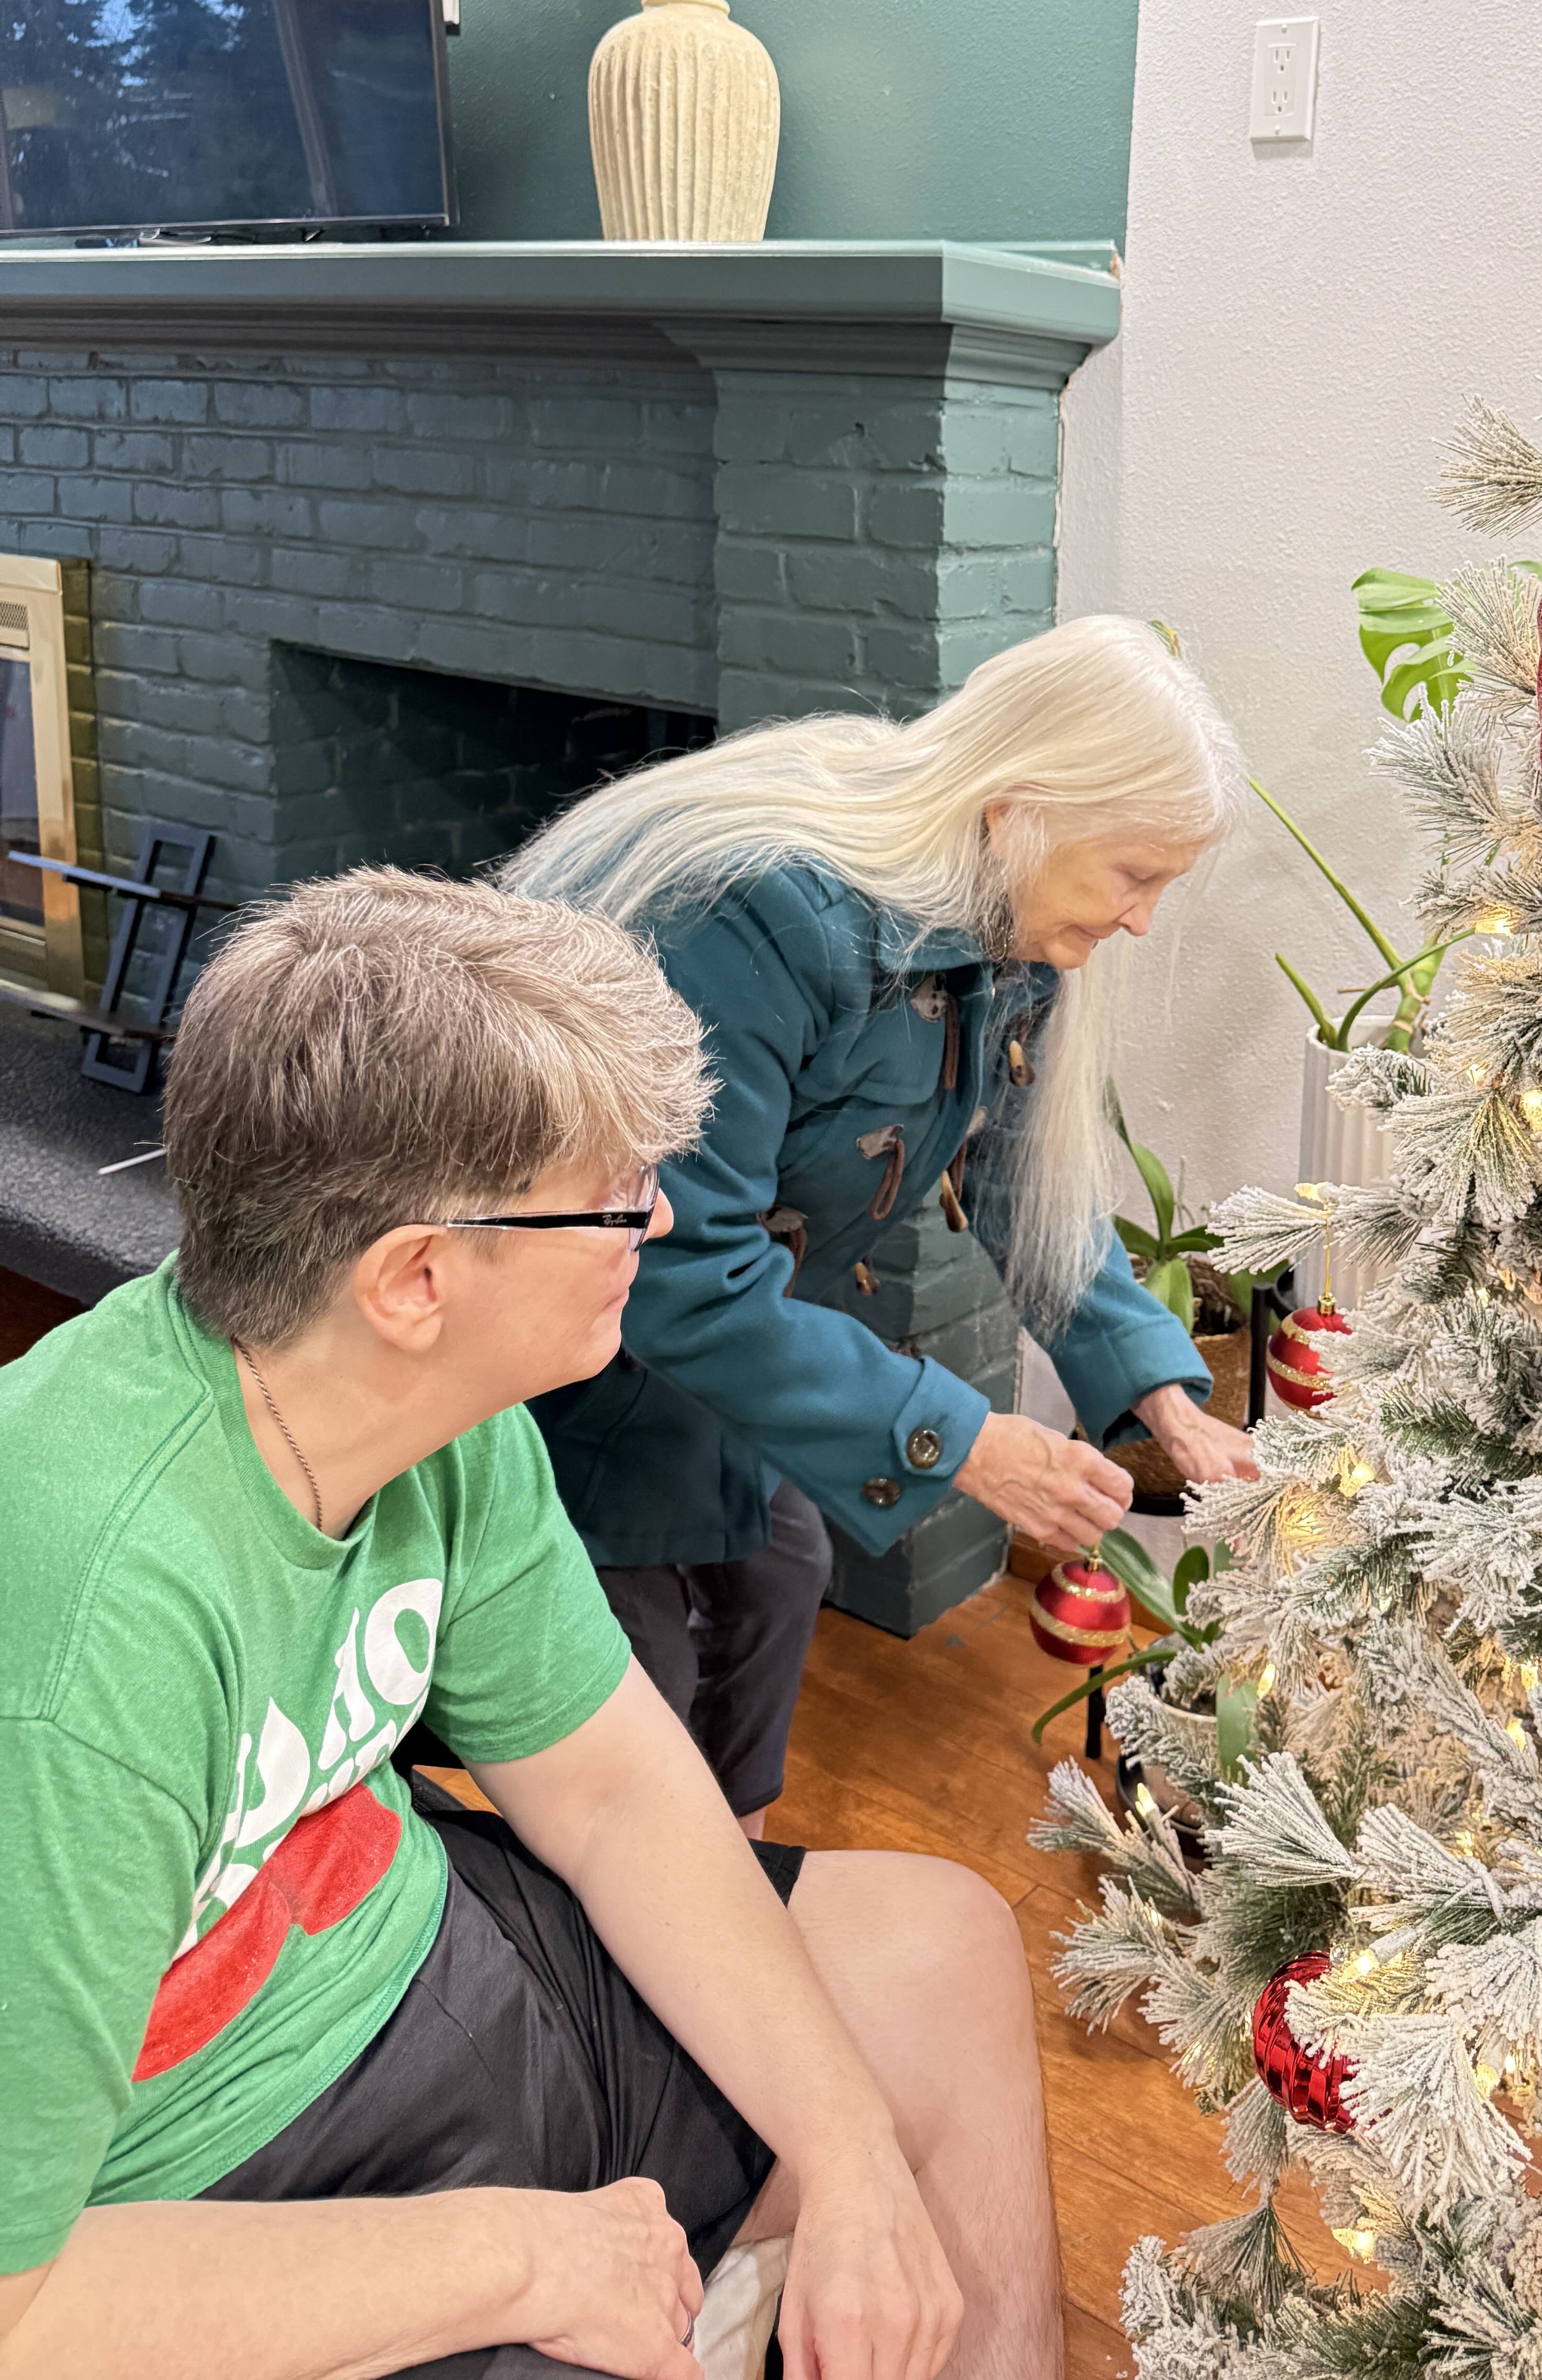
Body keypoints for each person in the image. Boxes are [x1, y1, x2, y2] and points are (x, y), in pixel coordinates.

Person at [0, 871, 1061, 2380]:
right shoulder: (76, 1644)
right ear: (417, 1277)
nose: (664, 1218)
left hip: (434, 1960)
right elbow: (17, 2315)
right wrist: (523, 2255)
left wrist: (855, 2160)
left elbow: (616, 1793)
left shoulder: (435, 1404)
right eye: (610, 1196)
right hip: (219, 2182)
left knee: (936, 1951)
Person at [505, 616, 1260, 1833]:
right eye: (1136, 875)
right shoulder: (759, 918)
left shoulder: (1009, 939)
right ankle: (646, 1949)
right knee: (632, 1722)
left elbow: (1027, 1189)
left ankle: (730, 1890)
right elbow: (676, 1269)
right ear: (1021, 811)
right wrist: (968, 1442)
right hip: (563, 1377)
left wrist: (1169, 1404)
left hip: (712, 1371)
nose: (1143, 923)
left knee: (781, 1575)